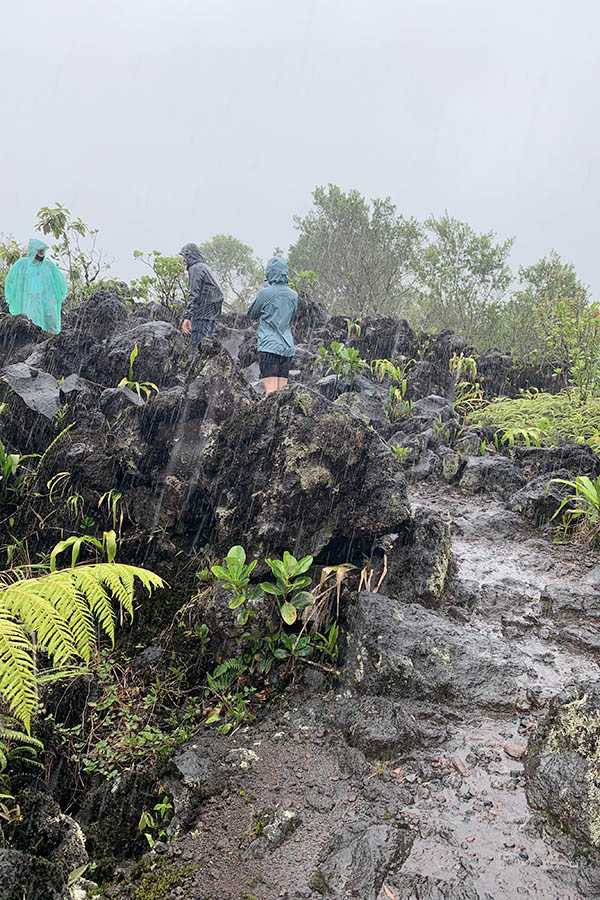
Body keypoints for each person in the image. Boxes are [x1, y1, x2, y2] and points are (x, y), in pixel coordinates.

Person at [248, 256, 298, 396]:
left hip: (269, 347)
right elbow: (291, 315)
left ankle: (270, 418)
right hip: (287, 348)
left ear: (269, 272)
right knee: (281, 393)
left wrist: (266, 291)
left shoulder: (265, 293)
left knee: (270, 393)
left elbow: (252, 313)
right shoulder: (293, 295)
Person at [4, 238, 68, 333]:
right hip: (28, 301)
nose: (41, 252)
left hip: (45, 302)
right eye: (39, 249)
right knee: (29, 324)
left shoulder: (49, 266)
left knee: (47, 329)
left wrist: (56, 297)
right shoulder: (22, 264)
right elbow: (10, 280)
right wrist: (13, 295)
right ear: (33, 249)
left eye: (43, 250)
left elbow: (60, 281)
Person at [179, 243, 224, 345]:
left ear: (189, 256)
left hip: (202, 311)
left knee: (198, 343)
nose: (183, 261)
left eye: (184, 257)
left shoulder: (195, 268)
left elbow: (194, 294)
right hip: (212, 311)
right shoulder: (204, 267)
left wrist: (188, 317)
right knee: (208, 342)